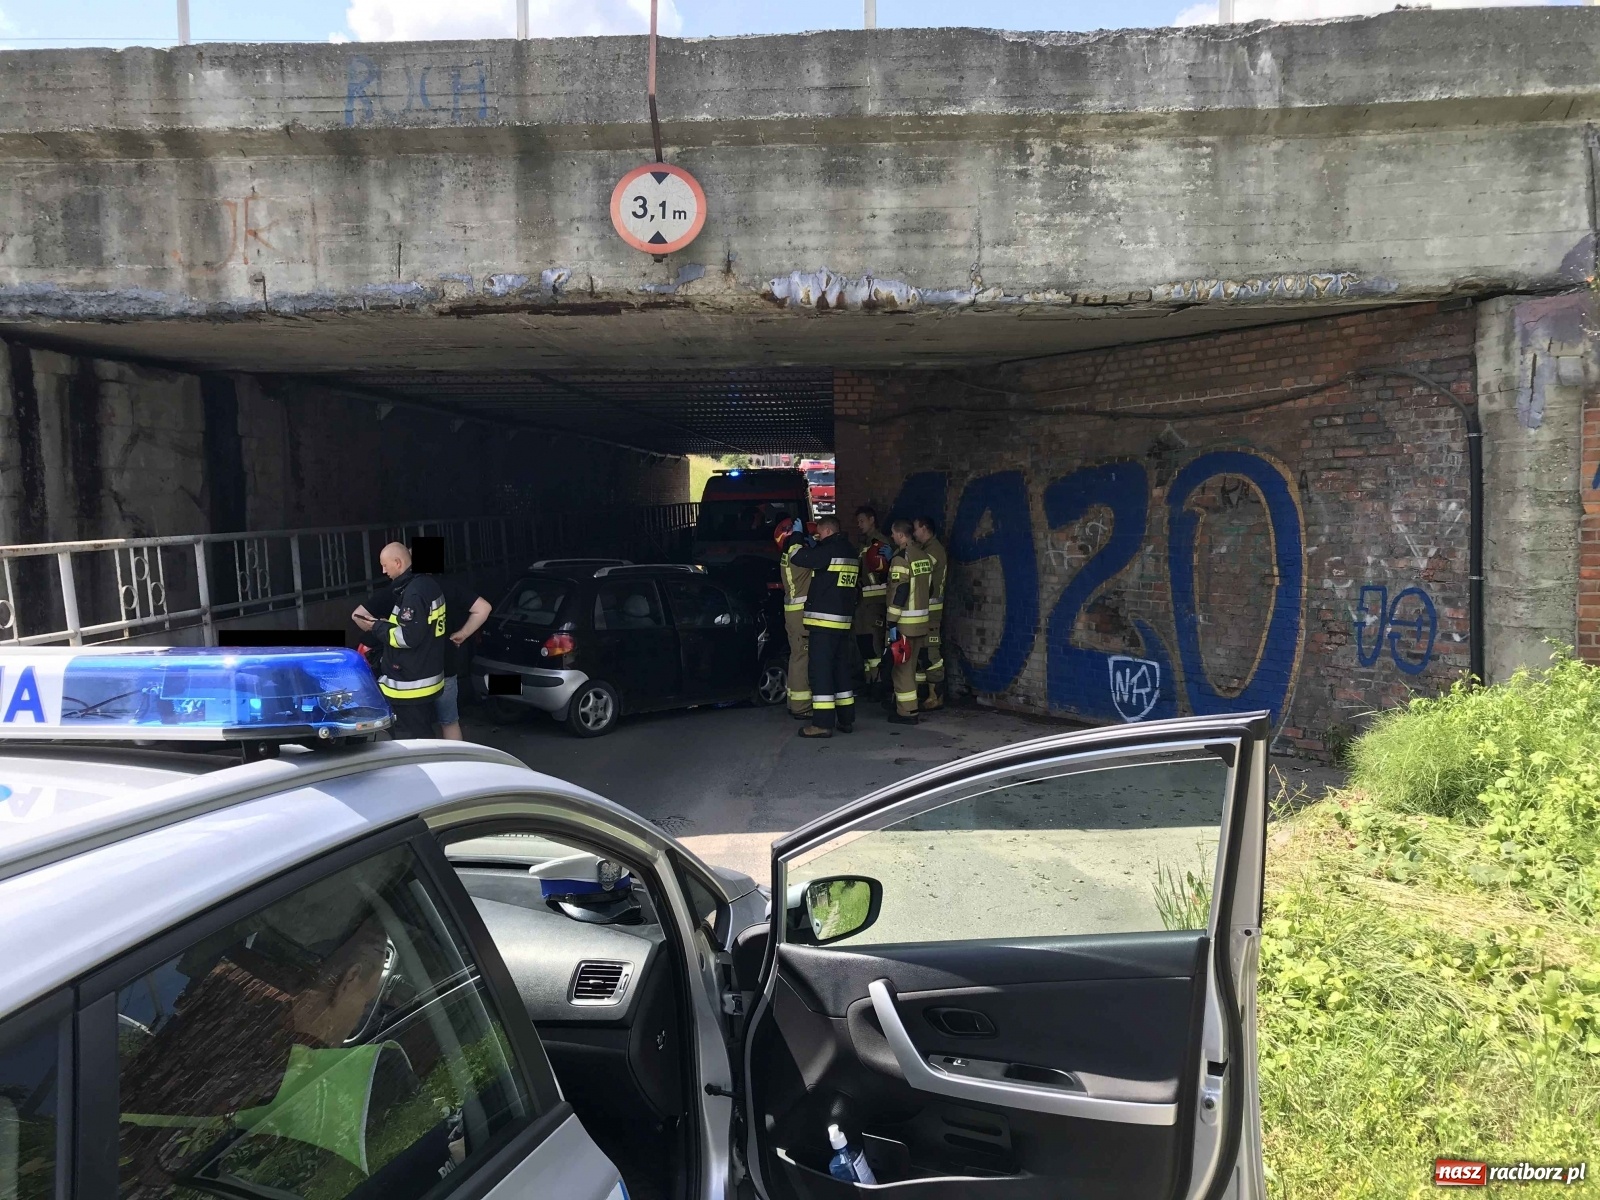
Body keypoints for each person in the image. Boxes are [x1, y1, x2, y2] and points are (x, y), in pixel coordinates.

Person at [352, 543, 447, 739]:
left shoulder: (413, 592)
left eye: (385, 565)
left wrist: (376, 626)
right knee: (422, 732)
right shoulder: (428, 584)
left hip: (410, 686)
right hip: (426, 676)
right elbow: (418, 627)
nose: (383, 571)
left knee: (413, 741)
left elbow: (407, 637)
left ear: (398, 562)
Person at [790, 515, 860, 739]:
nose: (818, 537)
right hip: (842, 622)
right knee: (840, 670)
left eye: (820, 533)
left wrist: (797, 536)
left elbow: (798, 557)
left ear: (828, 531)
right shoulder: (849, 550)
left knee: (820, 672)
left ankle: (821, 724)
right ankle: (846, 718)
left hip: (824, 621)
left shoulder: (829, 552)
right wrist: (817, 546)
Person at [885, 519, 934, 725]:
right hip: (921, 621)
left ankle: (907, 712)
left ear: (901, 535)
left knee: (902, 670)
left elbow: (900, 590)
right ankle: (910, 706)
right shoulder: (924, 556)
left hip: (904, 622)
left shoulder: (900, 558)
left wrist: (891, 621)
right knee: (912, 667)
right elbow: (929, 589)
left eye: (894, 534)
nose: (892, 538)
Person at [435, 575, 492, 740]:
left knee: (418, 726)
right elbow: (484, 608)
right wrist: (463, 633)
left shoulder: (403, 589)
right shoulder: (449, 587)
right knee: (450, 723)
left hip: (413, 674)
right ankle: (456, 764)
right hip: (446, 667)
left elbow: (360, 614)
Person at [776, 517, 813, 720]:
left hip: (793, 615)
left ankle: (794, 701)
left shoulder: (787, 555)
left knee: (796, 656)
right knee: (802, 658)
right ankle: (801, 706)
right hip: (800, 616)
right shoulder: (796, 555)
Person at [853, 506, 890, 698]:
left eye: (862, 521)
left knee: (875, 643)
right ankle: (869, 681)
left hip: (876, 604)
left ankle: (878, 684)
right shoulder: (863, 544)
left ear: (872, 520)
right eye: (858, 521)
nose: (859, 525)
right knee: (865, 643)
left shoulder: (881, 543)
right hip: (862, 604)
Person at [913, 515, 949, 712]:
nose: (914, 532)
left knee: (931, 654)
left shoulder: (934, 551)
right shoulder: (926, 549)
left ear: (924, 528)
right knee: (921, 654)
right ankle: (924, 694)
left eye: (915, 528)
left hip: (931, 613)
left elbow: (920, 571)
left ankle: (937, 696)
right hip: (923, 612)